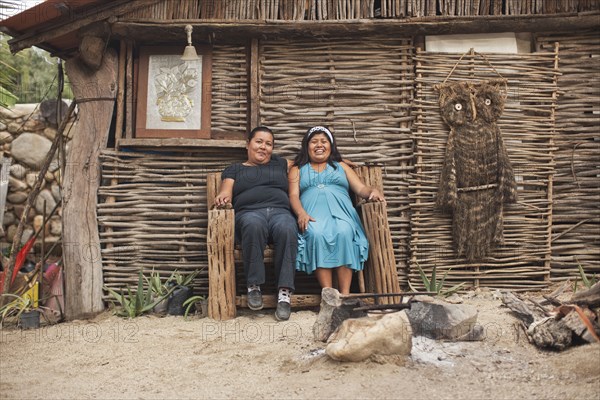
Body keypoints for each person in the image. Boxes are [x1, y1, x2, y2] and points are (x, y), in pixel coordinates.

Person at [288, 126, 385, 295]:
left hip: (342, 214)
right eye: (314, 141)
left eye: (324, 141)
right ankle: (329, 294)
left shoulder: (340, 166)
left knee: (344, 232)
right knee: (316, 234)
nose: (319, 145)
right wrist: (301, 213)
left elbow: (361, 189)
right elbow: (294, 195)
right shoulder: (297, 169)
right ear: (306, 146)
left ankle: (345, 295)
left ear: (331, 146)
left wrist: (372, 191)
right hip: (312, 216)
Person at [214, 126, 296, 321]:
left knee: (287, 227)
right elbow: (226, 189)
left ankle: (284, 294)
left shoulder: (280, 164)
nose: (263, 147)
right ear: (248, 145)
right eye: (259, 141)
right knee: (253, 224)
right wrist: (223, 196)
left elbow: (313, 161)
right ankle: (254, 286)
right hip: (249, 213)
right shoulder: (235, 168)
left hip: (280, 212)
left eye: (268, 144)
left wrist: (341, 161)